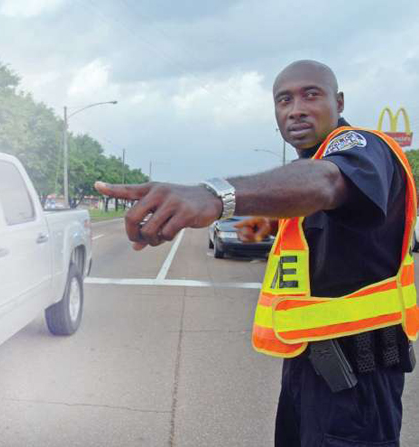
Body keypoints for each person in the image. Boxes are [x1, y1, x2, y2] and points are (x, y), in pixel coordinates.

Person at [95, 60, 418, 446]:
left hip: (359, 377)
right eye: (284, 100)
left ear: (340, 102)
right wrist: (246, 223)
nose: (295, 108)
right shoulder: (305, 175)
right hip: (307, 367)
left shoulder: (362, 147)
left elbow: (329, 183)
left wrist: (217, 194)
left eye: (310, 94)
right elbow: (298, 218)